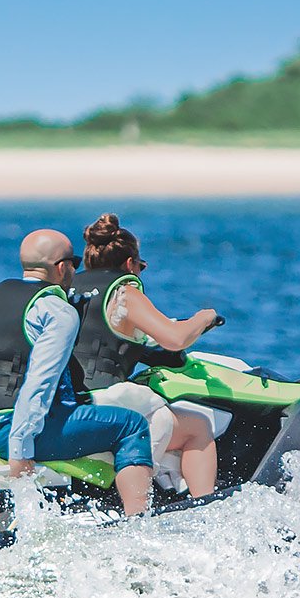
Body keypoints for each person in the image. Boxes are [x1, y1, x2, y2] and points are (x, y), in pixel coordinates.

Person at [0, 227, 156, 515]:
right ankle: (138, 521)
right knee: (132, 426)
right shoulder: (57, 311)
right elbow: (39, 383)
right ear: (62, 267)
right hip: (9, 434)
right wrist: (20, 451)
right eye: (74, 263)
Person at [69, 213, 225, 497]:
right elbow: (175, 339)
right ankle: (205, 506)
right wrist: (203, 318)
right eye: (141, 266)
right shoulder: (124, 292)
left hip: (68, 402)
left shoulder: (67, 289)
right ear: (130, 264)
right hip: (105, 401)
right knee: (197, 426)